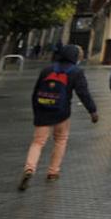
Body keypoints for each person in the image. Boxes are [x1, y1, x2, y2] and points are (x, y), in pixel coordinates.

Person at [19, 43, 98, 190]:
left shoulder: (47, 69)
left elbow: (35, 92)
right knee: (60, 140)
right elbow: (83, 93)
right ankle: (53, 172)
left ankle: (29, 168)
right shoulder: (76, 72)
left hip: (43, 109)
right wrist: (92, 111)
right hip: (61, 112)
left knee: (38, 141)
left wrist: (36, 110)